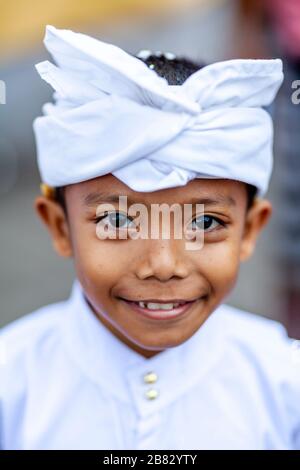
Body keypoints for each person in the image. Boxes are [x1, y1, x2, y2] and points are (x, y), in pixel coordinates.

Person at [0, 25, 299, 450]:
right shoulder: (11, 384)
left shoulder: (285, 387)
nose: (163, 266)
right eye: (119, 221)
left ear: (250, 230)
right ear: (60, 227)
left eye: (205, 223)